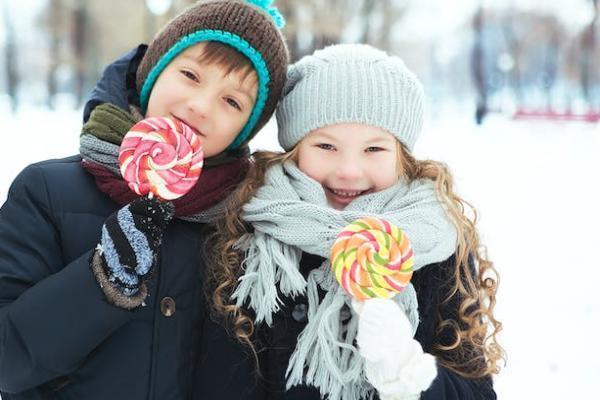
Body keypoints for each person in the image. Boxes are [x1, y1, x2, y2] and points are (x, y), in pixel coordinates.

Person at [0, 0, 288, 398]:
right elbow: (8, 362)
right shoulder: (45, 192)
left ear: (246, 130)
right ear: (153, 70)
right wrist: (100, 282)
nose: (200, 106)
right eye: (190, 75)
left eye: (232, 101)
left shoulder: (245, 225)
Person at [208, 44, 505, 400]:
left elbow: (477, 391)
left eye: (374, 149)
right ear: (294, 148)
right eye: (326, 147)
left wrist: (410, 374)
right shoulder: (252, 237)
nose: (349, 170)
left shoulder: (438, 244)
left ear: (402, 155)